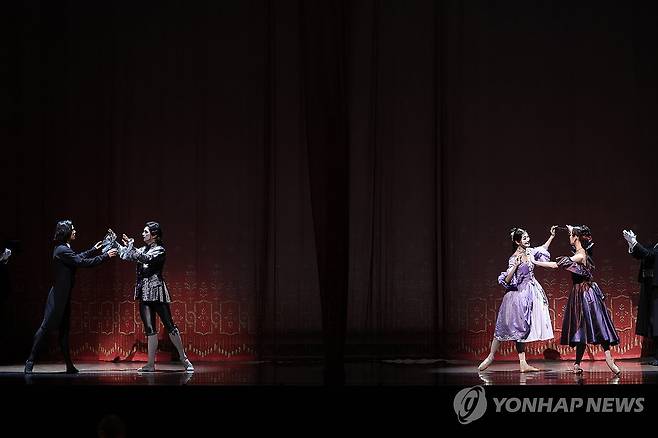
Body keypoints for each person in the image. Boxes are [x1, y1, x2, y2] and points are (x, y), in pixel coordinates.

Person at [25, 220, 117, 374]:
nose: (75, 231)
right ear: (66, 232)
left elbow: (76, 258)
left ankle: (69, 365)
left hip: (64, 297)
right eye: (72, 229)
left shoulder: (64, 249)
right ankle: (30, 360)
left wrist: (93, 249)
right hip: (57, 299)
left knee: (64, 331)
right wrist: (105, 256)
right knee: (45, 328)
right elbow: (82, 262)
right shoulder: (62, 249)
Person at [532, 225, 621, 375]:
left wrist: (535, 262)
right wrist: (570, 230)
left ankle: (608, 358)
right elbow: (576, 242)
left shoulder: (580, 255)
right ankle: (577, 363)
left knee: (598, 325)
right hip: (580, 293)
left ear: (576, 238)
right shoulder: (581, 251)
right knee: (581, 328)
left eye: (570, 235)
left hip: (586, 294)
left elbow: (555, 265)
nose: (569, 237)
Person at [478, 226, 556, 372]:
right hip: (517, 296)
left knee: (522, 328)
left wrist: (551, 237)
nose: (528, 239)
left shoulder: (530, 252)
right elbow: (507, 280)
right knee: (504, 326)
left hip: (530, 293)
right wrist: (515, 266)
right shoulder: (513, 258)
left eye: (528, 237)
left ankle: (523, 363)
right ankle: (491, 356)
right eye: (524, 238)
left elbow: (542, 249)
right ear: (517, 241)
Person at [120, 221, 193, 372]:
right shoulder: (143, 249)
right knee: (149, 328)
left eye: (146, 232)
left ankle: (184, 358)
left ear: (154, 235)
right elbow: (129, 255)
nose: (143, 234)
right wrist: (116, 243)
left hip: (157, 292)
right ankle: (150, 364)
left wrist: (131, 247)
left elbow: (146, 258)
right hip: (144, 292)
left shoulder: (160, 250)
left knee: (169, 325)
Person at [623, 229, 658, 365]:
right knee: (651, 321)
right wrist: (632, 244)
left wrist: (635, 242)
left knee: (656, 321)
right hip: (650, 286)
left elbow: (649, 255)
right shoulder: (654, 245)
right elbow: (642, 254)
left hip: (656, 287)